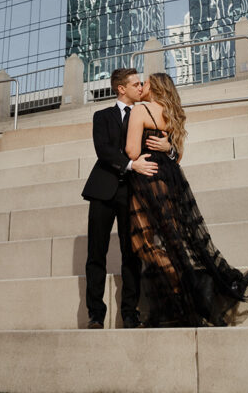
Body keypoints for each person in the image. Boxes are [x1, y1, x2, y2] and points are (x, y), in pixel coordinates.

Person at [125, 72, 248, 327]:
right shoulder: (171, 113)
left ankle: (185, 285)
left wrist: (134, 154)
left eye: (146, 82)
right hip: (171, 178)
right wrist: (167, 148)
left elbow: (132, 151)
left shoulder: (141, 110)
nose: (141, 86)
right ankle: (193, 287)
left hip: (148, 177)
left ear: (154, 87)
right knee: (174, 239)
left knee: (141, 243)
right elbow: (178, 155)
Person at [82, 67, 171, 329]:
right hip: (103, 190)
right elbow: (104, 151)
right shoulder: (102, 116)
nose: (141, 87)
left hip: (134, 193)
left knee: (131, 253)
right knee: (95, 253)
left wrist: (169, 146)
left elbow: (168, 143)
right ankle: (95, 314)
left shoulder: (149, 112)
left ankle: (130, 313)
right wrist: (131, 165)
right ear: (122, 88)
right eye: (136, 84)